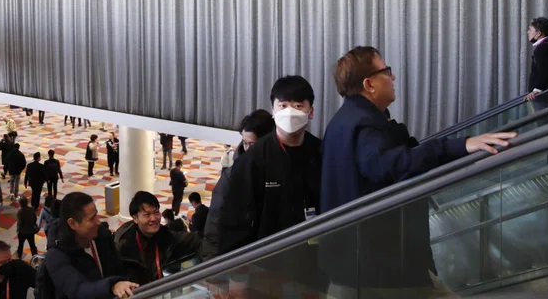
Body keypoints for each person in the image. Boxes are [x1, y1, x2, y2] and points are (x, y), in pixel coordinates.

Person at [320, 46, 516, 295]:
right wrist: (461, 145)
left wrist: (463, 155)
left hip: (363, 267)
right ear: (369, 84)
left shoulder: (347, 120)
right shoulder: (363, 123)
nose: (393, 77)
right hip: (379, 271)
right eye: (386, 71)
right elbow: (392, 166)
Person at [219, 76, 323, 256]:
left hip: (313, 256)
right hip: (266, 260)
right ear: (273, 112)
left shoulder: (321, 151)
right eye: (282, 106)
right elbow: (235, 219)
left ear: (311, 112)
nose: (290, 112)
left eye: (298, 106)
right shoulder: (252, 159)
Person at [42, 191, 136, 299]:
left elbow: (117, 268)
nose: (98, 222)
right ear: (73, 223)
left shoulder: (101, 235)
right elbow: (79, 290)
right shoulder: (55, 256)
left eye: (96, 215)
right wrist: (112, 286)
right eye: (92, 218)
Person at [114, 191, 201, 285]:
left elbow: (197, 239)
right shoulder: (121, 246)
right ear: (135, 218)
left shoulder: (166, 236)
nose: (153, 218)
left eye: (156, 212)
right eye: (147, 215)